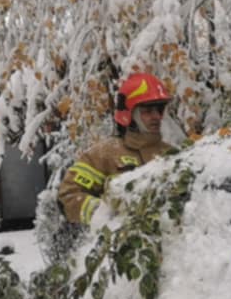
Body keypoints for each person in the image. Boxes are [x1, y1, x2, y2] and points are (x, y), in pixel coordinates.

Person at [56, 71, 176, 227]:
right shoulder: (104, 154)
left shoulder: (173, 154)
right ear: (129, 114)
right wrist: (104, 217)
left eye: (159, 110)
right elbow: (68, 195)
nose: (156, 116)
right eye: (147, 110)